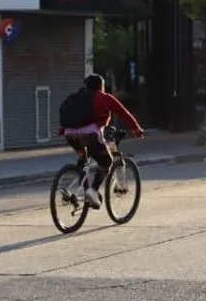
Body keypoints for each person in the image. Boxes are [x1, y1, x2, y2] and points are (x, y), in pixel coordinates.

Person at [59, 74, 145, 209]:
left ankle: (79, 188)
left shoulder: (76, 97)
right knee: (107, 162)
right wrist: (137, 129)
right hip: (90, 135)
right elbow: (124, 113)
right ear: (101, 86)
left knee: (84, 157)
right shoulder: (104, 97)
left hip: (70, 135)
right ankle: (92, 191)